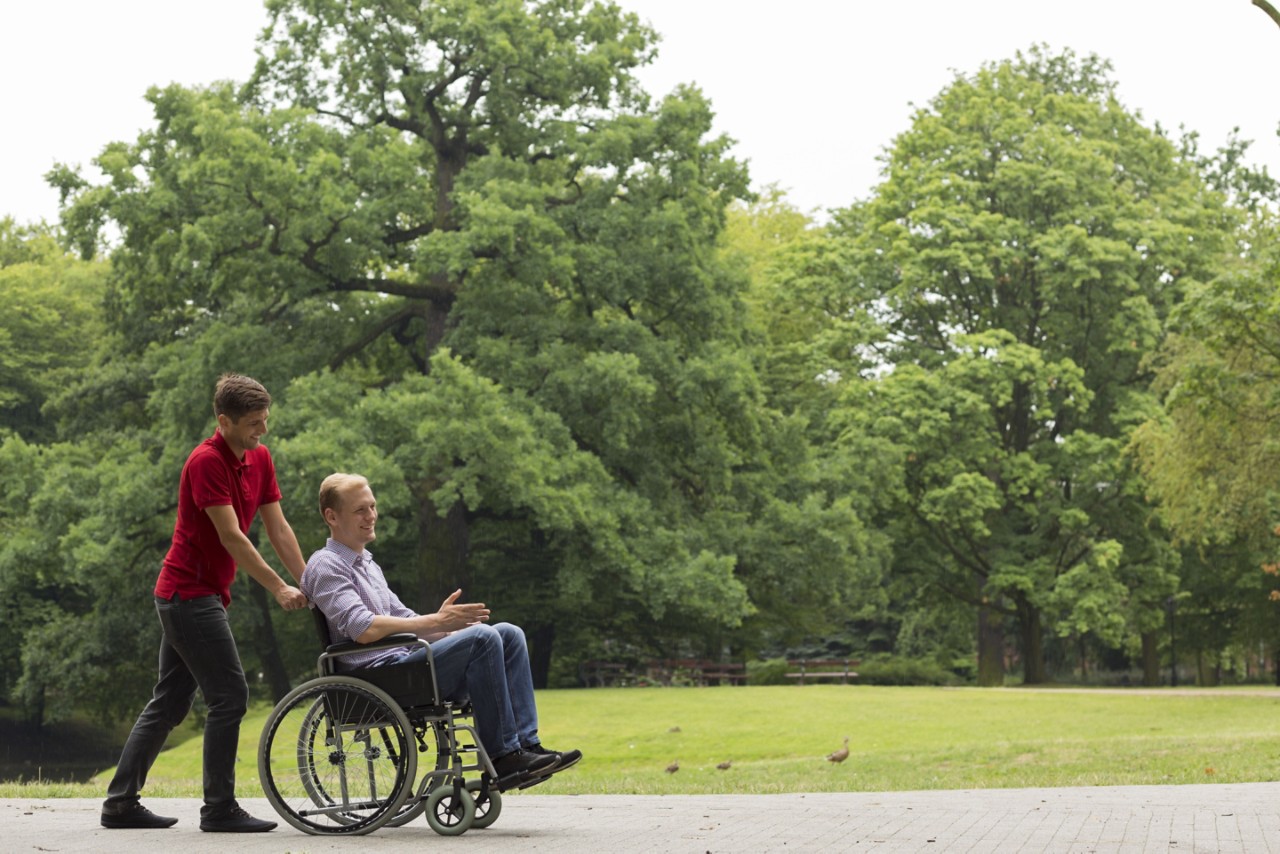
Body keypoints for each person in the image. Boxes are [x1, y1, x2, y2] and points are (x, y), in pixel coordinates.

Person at [100, 374, 309, 833]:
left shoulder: (259, 458)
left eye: (265, 420)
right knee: (230, 696)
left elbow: (278, 528)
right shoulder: (205, 462)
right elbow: (233, 536)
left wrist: (310, 581)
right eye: (255, 423)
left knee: (171, 702)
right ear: (224, 421)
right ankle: (218, 808)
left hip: (199, 595)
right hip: (187, 596)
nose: (263, 431)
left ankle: (119, 803)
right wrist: (279, 588)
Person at [301, 472, 582, 786]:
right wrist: (436, 622)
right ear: (332, 516)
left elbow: (403, 617)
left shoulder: (367, 563)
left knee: (508, 634)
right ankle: (504, 757)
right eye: (360, 510)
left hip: (402, 666)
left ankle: (527, 746)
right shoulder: (326, 565)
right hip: (375, 678)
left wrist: (449, 629)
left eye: (372, 506)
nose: (371, 516)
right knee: (483, 638)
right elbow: (363, 629)